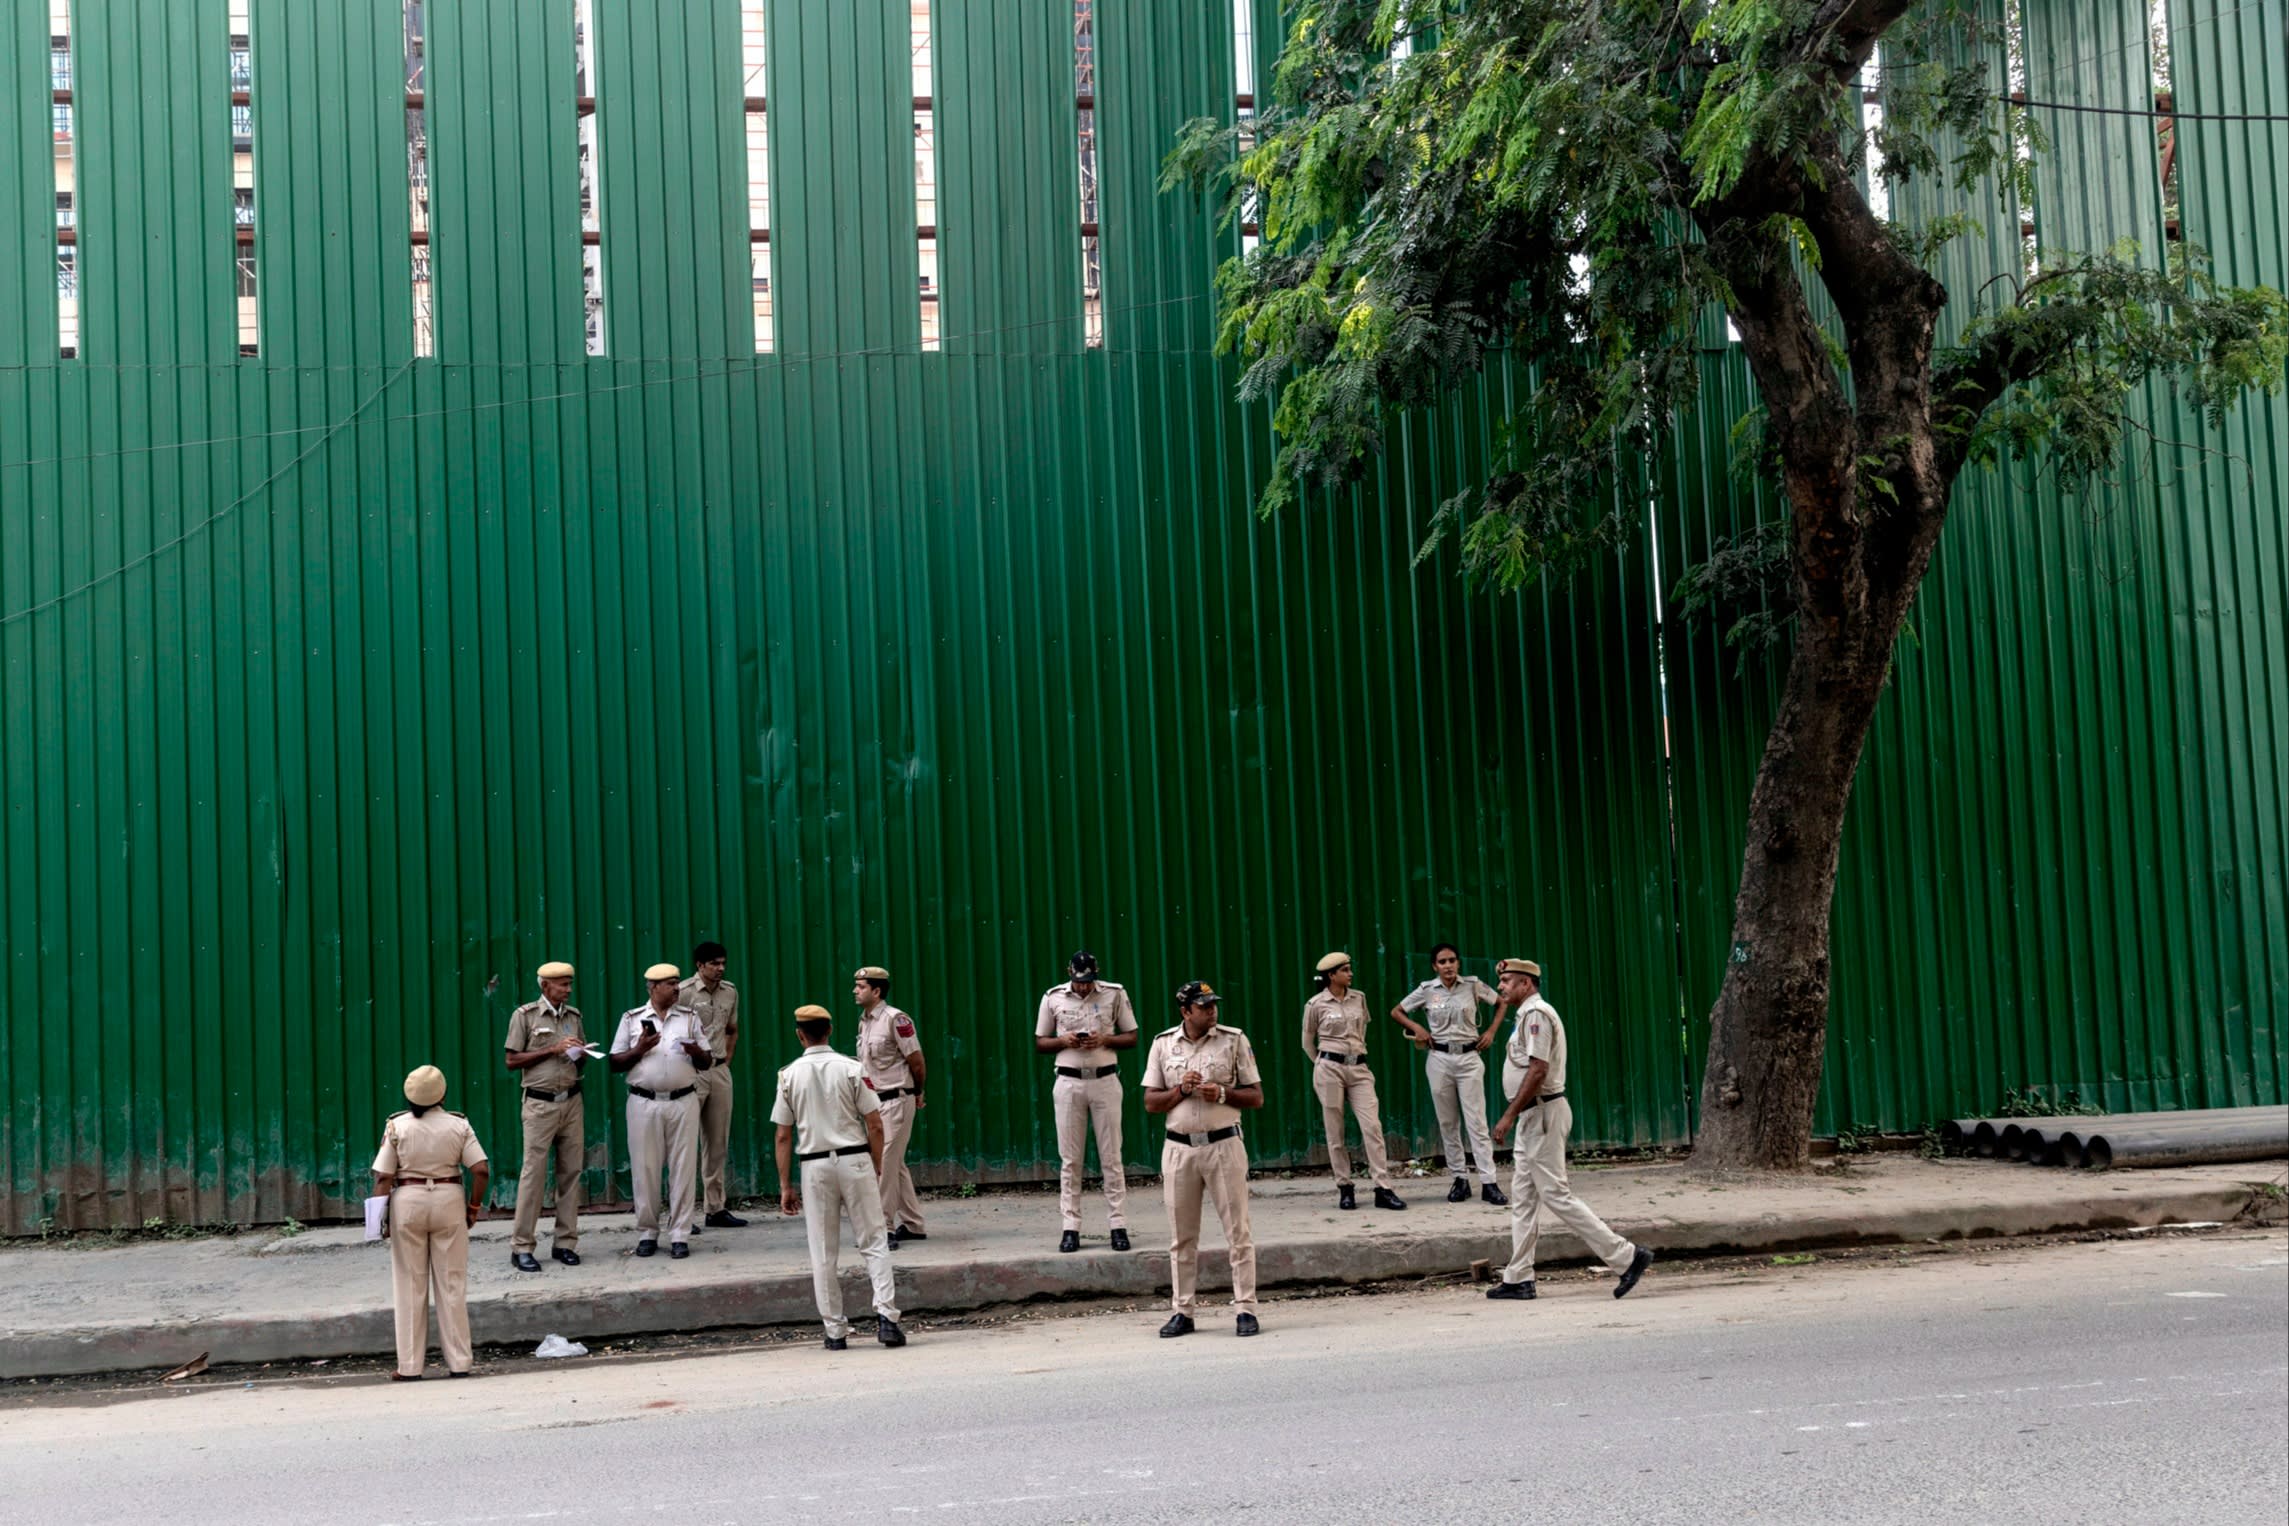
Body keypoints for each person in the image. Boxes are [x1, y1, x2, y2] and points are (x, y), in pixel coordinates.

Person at [1486, 958, 1653, 1302]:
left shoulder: (1536, 1015)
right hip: (1533, 1118)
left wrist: (1508, 1116)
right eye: (1501, 981)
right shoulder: (1524, 1016)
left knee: (1555, 1195)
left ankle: (1626, 1256)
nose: (1501, 986)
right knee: (1524, 1200)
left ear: (1526, 984)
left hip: (1541, 1115)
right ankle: (1519, 1277)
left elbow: (1537, 1070)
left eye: (1507, 981)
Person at [773, 1003, 905, 1350]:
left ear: (800, 1035)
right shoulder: (852, 1068)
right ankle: (887, 1319)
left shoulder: (788, 1075)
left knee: (822, 1250)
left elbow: (783, 1135)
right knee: (874, 1242)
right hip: (854, 1159)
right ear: (829, 1031)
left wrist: (785, 1185)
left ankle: (834, 1331)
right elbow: (875, 1123)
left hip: (814, 1165)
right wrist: (875, 1164)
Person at [1142, 981, 1264, 1338]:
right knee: (1182, 1237)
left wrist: (1223, 1093)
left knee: (1238, 1232)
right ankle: (1183, 1311)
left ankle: (1245, 1309)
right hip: (1179, 1149)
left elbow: (1256, 1097)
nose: (1212, 1011)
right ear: (1185, 1012)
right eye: (1203, 1006)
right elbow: (1151, 1103)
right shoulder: (1163, 1044)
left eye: (1213, 1005)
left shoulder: (1233, 1039)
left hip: (1223, 1145)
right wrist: (1181, 1089)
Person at [372, 1065, 489, 1380]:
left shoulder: (397, 1126)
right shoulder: (458, 1125)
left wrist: (380, 1218)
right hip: (449, 1198)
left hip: (407, 1200)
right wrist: (474, 1206)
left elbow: (383, 1176)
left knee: (410, 1284)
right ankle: (460, 1362)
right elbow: (480, 1170)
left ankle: (410, 1367)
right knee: (452, 1283)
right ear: (442, 1094)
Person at [1034, 949, 1139, 1253]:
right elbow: (1040, 1042)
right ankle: (1071, 1227)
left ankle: (1118, 1224)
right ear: (1070, 974)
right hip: (1068, 1081)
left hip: (1105, 1079)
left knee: (1112, 1156)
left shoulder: (1114, 994)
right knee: (1070, 1159)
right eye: (1079, 981)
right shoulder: (1053, 997)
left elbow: (1131, 1036)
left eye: (1089, 981)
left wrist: (1105, 1039)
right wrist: (1063, 1041)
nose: (1083, 987)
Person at [1392, 943, 1509, 1205]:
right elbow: (1396, 1011)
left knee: (1476, 1122)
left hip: (1468, 1057)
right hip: (1440, 1058)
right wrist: (1417, 1029)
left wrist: (1490, 1032)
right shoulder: (1427, 990)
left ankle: (1489, 1182)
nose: (1448, 966)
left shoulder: (1472, 985)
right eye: (1442, 962)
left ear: (1458, 963)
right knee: (1448, 1122)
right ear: (1435, 966)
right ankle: (1459, 1179)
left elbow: (1502, 1002)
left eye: (1452, 960)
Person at [609, 962, 713, 1258]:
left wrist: (695, 1052)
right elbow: (615, 1062)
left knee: (683, 1168)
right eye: (670, 984)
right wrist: (640, 1048)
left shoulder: (690, 1018)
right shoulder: (632, 1019)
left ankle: (680, 1234)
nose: (677, 988)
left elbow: (708, 1061)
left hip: (683, 1100)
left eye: (678, 983)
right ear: (653, 988)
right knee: (645, 1168)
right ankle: (648, 1232)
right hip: (644, 1102)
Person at [502, 960, 589, 1271]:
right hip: (539, 1105)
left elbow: (580, 1063)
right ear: (545, 986)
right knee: (533, 1176)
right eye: (562, 984)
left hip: (571, 1102)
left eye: (569, 983)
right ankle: (522, 1246)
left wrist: (580, 1054)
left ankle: (565, 1243)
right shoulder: (524, 1016)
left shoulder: (574, 1017)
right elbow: (512, 1061)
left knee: (571, 1174)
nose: (568, 988)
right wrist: (552, 1050)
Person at [1302, 953, 1404, 1210]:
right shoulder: (1315, 1004)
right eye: (1345, 970)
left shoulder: (1359, 998)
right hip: (1329, 1068)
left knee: (1373, 1127)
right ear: (1331, 976)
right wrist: (1322, 1064)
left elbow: (1362, 1032)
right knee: (1335, 1131)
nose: (1350, 974)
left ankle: (1383, 1187)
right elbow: (1307, 1042)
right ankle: (1345, 1187)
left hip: (1358, 1068)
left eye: (1350, 969)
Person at [853, 964, 929, 1247]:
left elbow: (917, 1060)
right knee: (895, 1165)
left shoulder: (896, 1019)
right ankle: (914, 1224)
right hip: (876, 1103)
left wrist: (918, 1091)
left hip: (897, 1099)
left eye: (861, 987)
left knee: (883, 1164)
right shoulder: (865, 1021)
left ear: (877, 990)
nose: (855, 991)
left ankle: (883, 1227)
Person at [680, 941, 745, 1229]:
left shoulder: (730, 991)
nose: (720, 968)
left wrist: (725, 1061)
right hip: (690, 1072)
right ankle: (682, 1214)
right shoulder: (683, 992)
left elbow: (732, 1029)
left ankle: (715, 1208)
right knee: (684, 1143)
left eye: (723, 963)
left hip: (718, 1071)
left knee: (717, 1141)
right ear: (699, 965)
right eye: (714, 964)